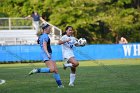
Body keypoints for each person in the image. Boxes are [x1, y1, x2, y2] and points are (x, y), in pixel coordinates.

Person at [28, 23, 64, 88]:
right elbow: (44, 46)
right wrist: (47, 54)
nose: (50, 29)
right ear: (45, 29)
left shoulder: (42, 36)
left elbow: (39, 42)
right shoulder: (45, 36)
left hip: (49, 53)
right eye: (49, 28)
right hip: (46, 54)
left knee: (55, 70)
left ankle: (60, 85)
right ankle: (37, 70)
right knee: (52, 69)